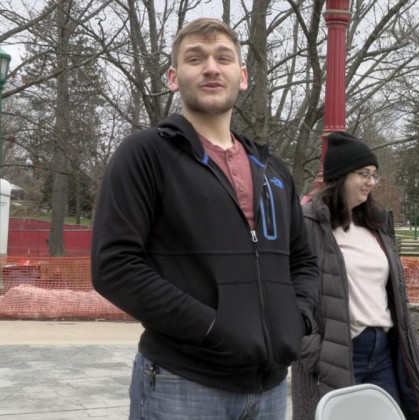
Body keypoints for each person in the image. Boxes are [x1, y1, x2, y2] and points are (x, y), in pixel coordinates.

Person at [91, 18, 319, 419]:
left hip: (268, 390)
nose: (211, 67)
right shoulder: (144, 155)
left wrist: (296, 320)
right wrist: (213, 328)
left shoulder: (273, 170)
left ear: (242, 76)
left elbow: (303, 261)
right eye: (195, 58)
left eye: (223, 57)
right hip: (183, 383)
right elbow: (115, 266)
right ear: (174, 77)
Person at [291, 132, 419, 420]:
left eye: (374, 175)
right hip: (338, 352)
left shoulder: (377, 224)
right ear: (339, 176)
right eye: (362, 174)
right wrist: (314, 352)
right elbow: (289, 292)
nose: (371, 182)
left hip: (385, 350)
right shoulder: (307, 224)